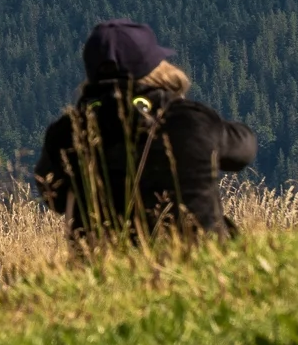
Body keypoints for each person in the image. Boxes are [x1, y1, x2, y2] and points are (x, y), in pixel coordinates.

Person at [34, 19, 256, 241]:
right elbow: (243, 152)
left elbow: (54, 198)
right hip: (199, 260)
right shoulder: (188, 119)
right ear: (155, 67)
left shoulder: (67, 132)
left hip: (104, 267)